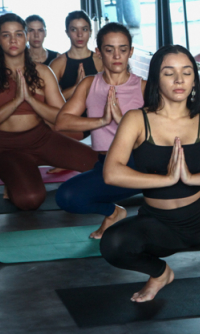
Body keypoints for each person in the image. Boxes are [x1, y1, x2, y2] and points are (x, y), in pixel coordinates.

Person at [99, 45, 200, 302]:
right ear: (156, 78)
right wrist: (166, 179)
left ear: (194, 80)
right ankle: (160, 274)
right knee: (113, 244)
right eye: (169, 73)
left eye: (187, 73)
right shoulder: (137, 120)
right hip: (159, 225)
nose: (179, 80)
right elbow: (112, 173)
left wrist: (193, 178)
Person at [0, 14, 98, 211]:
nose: (13, 40)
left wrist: (31, 101)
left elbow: (63, 118)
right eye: (6, 35)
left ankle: (25, 176)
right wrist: (15, 102)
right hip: (8, 148)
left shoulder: (43, 72)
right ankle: (15, 179)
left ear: (26, 37)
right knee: (30, 199)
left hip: (43, 139)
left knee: (102, 166)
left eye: (18, 34)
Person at [55, 23, 146, 239]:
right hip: (106, 165)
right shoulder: (89, 84)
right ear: (98, 52)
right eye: (109, 49)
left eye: (123, 49)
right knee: (67, 197)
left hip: (140, 163)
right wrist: (102, 120)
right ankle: (114, 212)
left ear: (131, 51)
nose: (117, 56)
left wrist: (122, 121)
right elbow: (62, 122)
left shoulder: (143, 87)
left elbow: (158, 135)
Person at [50, 11, 103, 100]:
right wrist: (76, 87)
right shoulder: (57, 64)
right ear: (67, 32)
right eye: (74, 30)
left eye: (84, 29)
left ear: (90, 32)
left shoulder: (100, 60)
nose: (80, 35)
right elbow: (50, 100)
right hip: (68, 109)